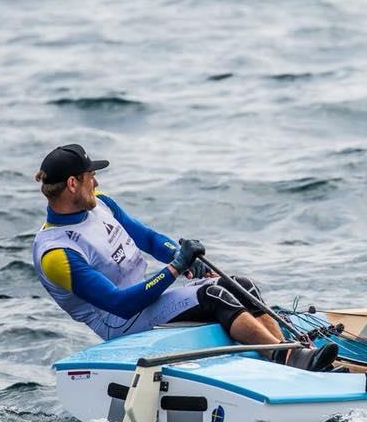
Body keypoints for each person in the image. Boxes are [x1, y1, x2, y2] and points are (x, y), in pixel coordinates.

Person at [31, 144, 336, 371]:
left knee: (239, 285)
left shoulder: (102, 205)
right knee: (213, 296)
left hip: (145, 302)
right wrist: (176, 268)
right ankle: (287, 357)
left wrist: (181, 256)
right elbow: (119, 305)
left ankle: (293, 351)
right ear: (73, 184)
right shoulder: (57, 253)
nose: (95, 182)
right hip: (121, 322)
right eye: (90, 176)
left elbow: (149, 239)